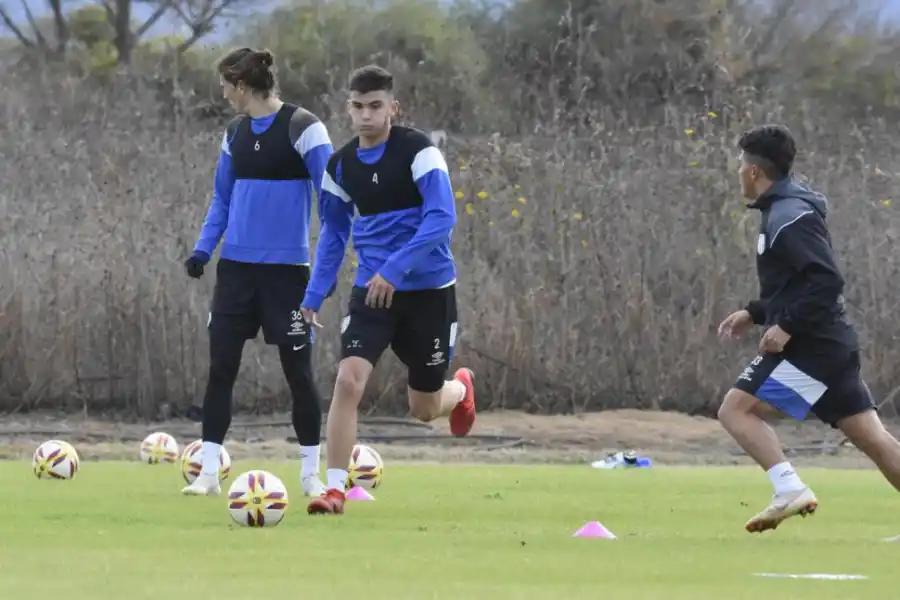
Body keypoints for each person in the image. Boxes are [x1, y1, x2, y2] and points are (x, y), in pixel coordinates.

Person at [299, 65, 476, 515]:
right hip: (372, 294)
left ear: (393, 108)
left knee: (423, 407)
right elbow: (335, 237)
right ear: (348, 110)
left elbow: (442, 218)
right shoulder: (339, 166)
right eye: (358, 107)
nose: (366, 116)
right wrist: (312, 297)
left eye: (375, 106)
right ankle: (335, 490)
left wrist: (395, 269)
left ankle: (459, 389)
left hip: (429, 291)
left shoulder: (419, 152)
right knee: (347, 380)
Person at [717, 124, 900, 533]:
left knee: (737, 409)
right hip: (827, 348)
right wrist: (756, 312)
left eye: (739, 166)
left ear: (752, 173)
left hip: (811, 348)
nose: (738, 173)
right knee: (872, 438)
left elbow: (826, 280)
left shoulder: (788, 216)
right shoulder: (784, 209)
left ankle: (789, 489)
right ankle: (788, 489)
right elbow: (795, 286)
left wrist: (785, 326)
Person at [181, 47, 333, 497]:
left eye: (227, 87)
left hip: (287, 276)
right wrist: (203, 249)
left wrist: (322, 277)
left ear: (242, 86)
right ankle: (208, 473)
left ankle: (310, 474)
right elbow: (222, 199)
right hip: (237, 274)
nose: (224, 96)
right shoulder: (234, 133)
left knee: (298, 373)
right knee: (221, 369)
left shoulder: (305, 128)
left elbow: (331, 206)